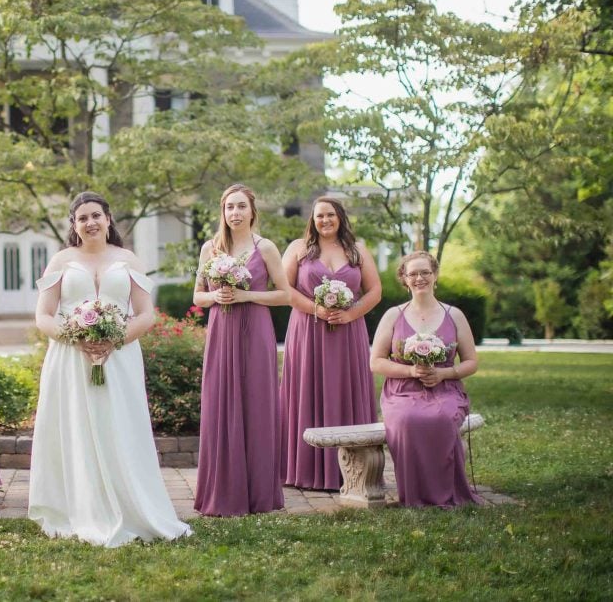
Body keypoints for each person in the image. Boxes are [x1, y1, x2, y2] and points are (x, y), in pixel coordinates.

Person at [29, 191, 191, 547]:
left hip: (121, 359)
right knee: (77, 428)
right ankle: (79, 507)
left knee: (120, 427)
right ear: (74, 226)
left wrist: (114, 340)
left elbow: (146, 313)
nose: (90, 222)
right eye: (82, 218)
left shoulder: (128, 258)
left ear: (108, 219)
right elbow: (43, 316)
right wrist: (77, 339)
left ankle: (131, 506)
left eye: (96, 216)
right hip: (70, 360)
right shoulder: (60, 261)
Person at [192, 183, 292, 516]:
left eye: (241, 207)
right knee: (221, 402)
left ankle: (259, 493)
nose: (235, 213)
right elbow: (198, 296)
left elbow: (285, 295)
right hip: (222, 331)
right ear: (223, 212)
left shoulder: (266, 248)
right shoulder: (211, 248)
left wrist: (248, 296)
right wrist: (215, 297)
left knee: (256, 402)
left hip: (256, 331)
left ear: (252, 211)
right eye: (229, 207)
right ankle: (223, 491)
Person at [279, 196, 381, 490]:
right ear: (312, 219)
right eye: (319, 215)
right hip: (307, 330)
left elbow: (374, 290)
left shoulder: (357, 250)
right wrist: (316, 309)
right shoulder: (298, 249)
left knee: (345, 389)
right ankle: (305, 470)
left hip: (348, 332)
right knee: (307, 390)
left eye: (330, 215)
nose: (325, 220)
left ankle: (352, 470)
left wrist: (350, 314)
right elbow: (285, 289)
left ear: (340, 217)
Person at [370, 251, 484, 507]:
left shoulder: (454, 315)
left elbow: (471, 361)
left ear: (435, 276)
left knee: (442, 418)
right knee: (407, 420)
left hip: (446, 389)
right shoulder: (393, 316)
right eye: (413, 274)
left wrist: (444, 373)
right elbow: (375, 362)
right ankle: (414, 495)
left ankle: (447, 493)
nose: (419, 278)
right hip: (402, 390)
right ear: (404, 279)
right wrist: (411, 371)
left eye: (425, 272)